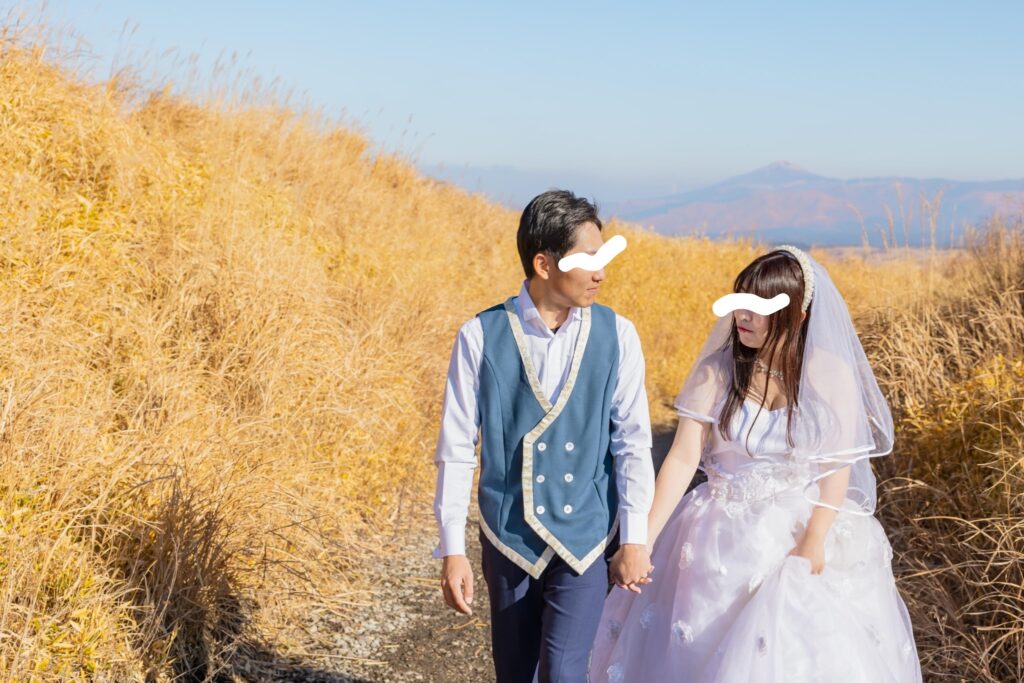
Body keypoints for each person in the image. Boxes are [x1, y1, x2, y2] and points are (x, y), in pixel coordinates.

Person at [588, 245, 922, 682]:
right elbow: (683, 458)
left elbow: (836, 470)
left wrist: (814, 540)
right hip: (718, 538)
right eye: (740, 301)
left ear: (797, 315)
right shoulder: (717, 371)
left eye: (757, 307)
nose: (741, 316)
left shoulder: (830, 373)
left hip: (801, 532)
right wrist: (642, 541)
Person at [432, 189, 656, 682]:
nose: (600, 272)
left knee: (563, 670)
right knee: (515, 672)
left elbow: (633, 442)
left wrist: (634, 539)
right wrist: (452, 549)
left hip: (586, 537)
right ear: (544, 264)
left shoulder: (618, 335)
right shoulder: (479, 335)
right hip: (507, 536)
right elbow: (456, 449)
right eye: (588, 259)